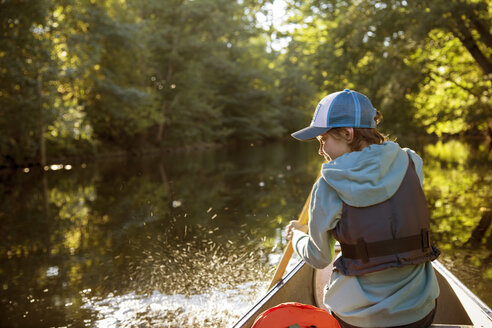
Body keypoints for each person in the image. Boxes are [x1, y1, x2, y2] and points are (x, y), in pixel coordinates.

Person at [286, 89, 441, 328]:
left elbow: (320, 258)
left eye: (323, 140)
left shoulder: (327, 185)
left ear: (348, 133)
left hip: (358, 320)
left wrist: (296, 235)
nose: (320, 151)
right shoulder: (412, 162)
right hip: (419, 313)